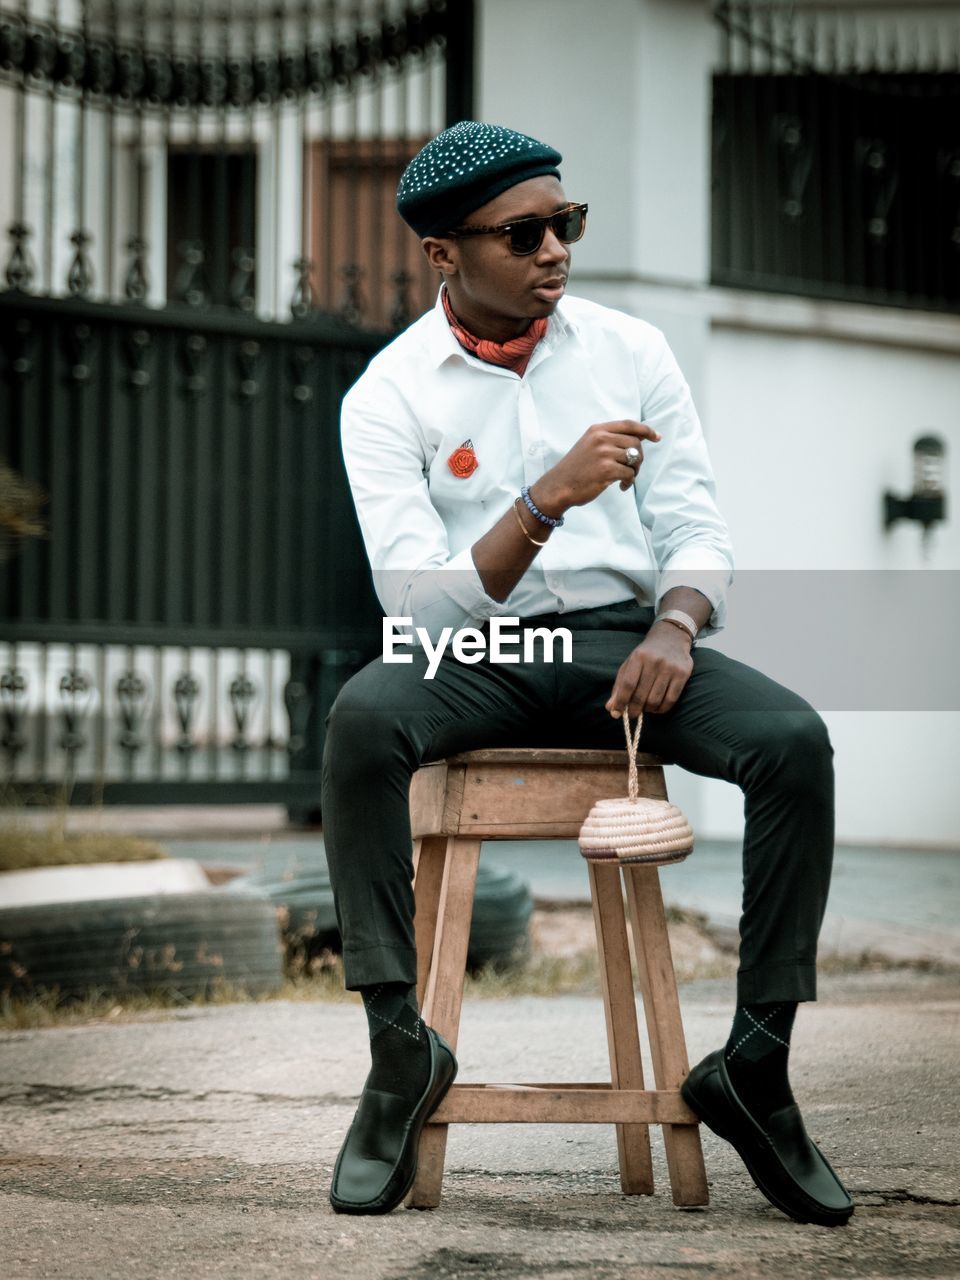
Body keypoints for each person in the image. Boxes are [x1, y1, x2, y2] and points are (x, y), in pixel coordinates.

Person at [323, 120, 853, 1227]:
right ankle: (396, 1053)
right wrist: (544, 499)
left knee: (795, 740)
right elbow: (415, 605)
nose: (556, 249)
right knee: (364, 719)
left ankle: (756, 1063)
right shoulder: (387, 396)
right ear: (444, 254)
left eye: (567, 222)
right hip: (480, 646)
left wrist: (677, 623)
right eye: (525, 233)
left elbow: (697, 524)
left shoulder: (628, 350)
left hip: (625, 641)